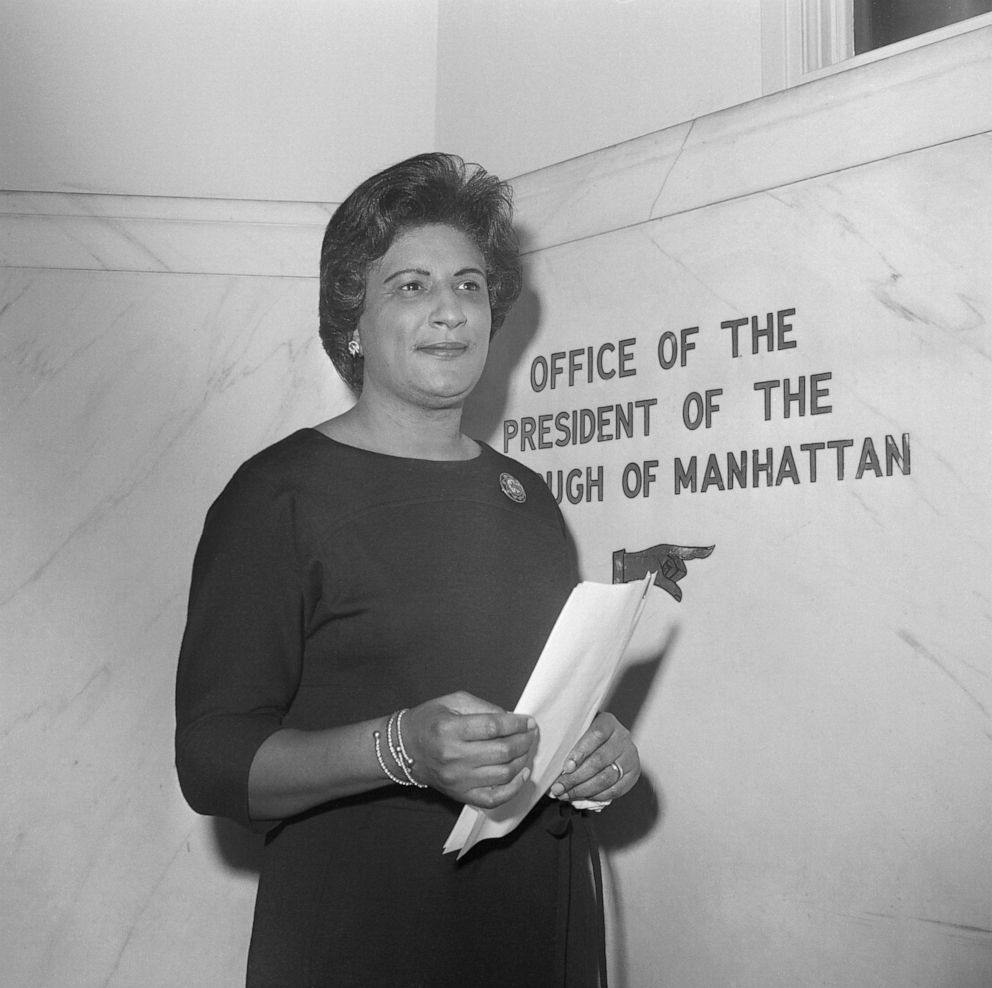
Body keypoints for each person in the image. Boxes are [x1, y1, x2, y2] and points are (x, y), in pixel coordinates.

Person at [175, 152, 641, 988]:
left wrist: (592, 748)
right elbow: (212, 760)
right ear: (352, 318)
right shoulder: (277, 495)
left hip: (536, 930)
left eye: (469, 285)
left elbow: (538, 706)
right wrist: (400, 749)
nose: (451, 313)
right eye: (412, 286)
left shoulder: (526, 499)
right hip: (366, 939)